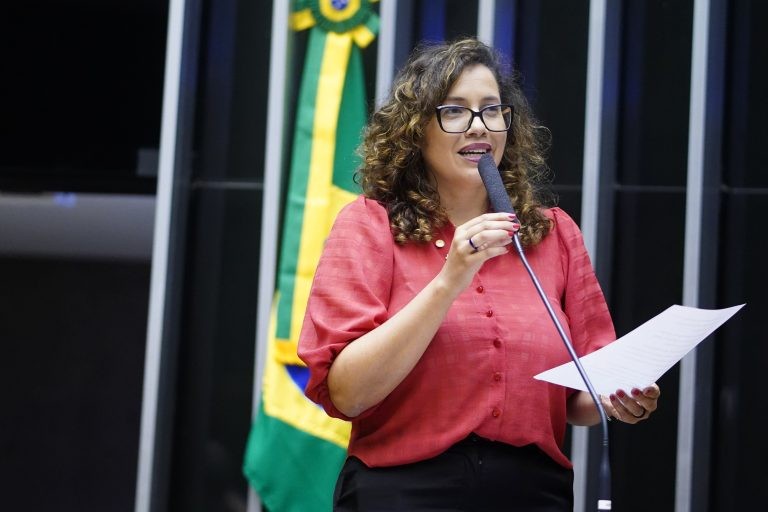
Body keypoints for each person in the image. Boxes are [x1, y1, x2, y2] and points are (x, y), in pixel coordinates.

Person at [298, 38, 660, 511]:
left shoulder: (554, 234)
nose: (479, 127)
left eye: (492, 111)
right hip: (405, 491)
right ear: (416, 129)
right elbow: (347, 393)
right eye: (455, 112)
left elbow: (582, 394)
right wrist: (449, 280)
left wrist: (618, 397)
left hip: (533, 492)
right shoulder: (370, 225)